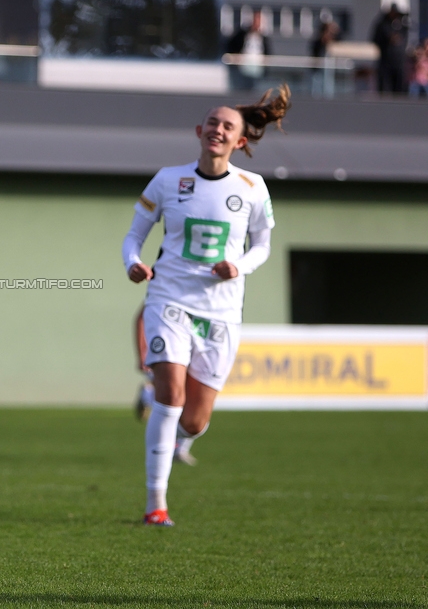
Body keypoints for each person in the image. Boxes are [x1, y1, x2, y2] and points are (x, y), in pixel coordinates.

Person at [122, 85, 290, 526]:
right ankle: (155, 505)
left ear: (241, 141)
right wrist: (133, 263)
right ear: (200, 131)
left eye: (228, 126)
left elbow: (265, 245)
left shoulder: (253, 188)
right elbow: (133, 236)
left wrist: (239, 266)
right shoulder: (167, 180)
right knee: (171, 396)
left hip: (221, 312)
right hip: (169, 299)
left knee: (195, 421)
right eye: (212, 123)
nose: (218, 129)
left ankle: (173, 434)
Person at [226, 10, 271, 90]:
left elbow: (268, 53)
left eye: (259, 22)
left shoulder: (264, 38)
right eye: (255, 21)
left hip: (257, 70)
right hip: (242, 69)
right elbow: (231, 46)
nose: (257, 24)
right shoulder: (242, 34)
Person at [371, 4, 407, 93]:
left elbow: (404, 39)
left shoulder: (401, 25)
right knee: (384, 87)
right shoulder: (382, 25)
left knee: (399, 88)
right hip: (386, 60)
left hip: (399, 61)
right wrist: (388, 38)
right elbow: (375, 39)